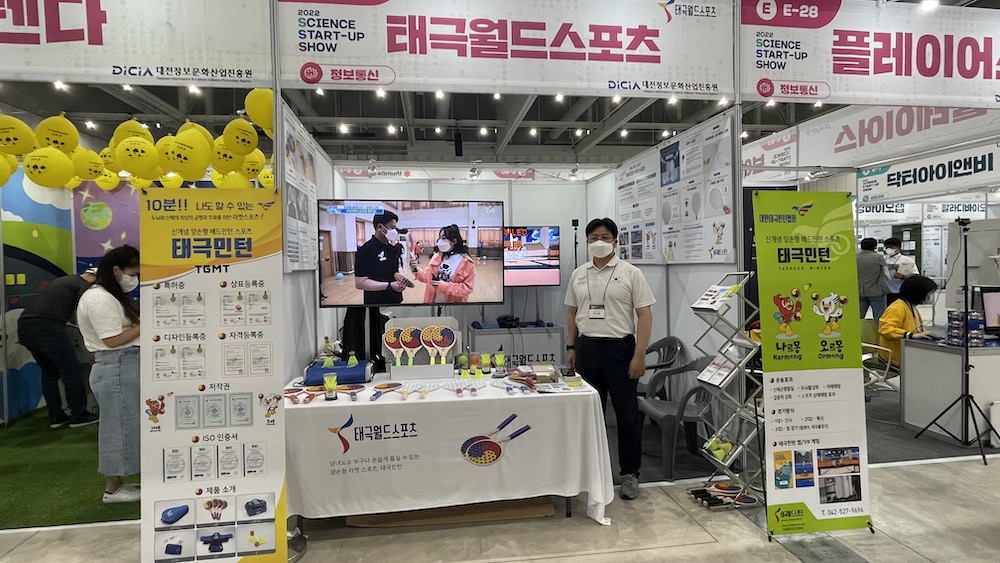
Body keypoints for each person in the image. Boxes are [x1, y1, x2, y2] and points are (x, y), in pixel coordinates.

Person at [564, 218, 654, 500]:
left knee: (626, 416)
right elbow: (572, 312)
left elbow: (644, 315)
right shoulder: (579, 274)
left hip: (620, 350)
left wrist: (639, 355)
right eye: (593, 238)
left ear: (615, 241)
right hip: (587, 349)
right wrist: (571, 346)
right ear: (587, 242)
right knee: (590, 415)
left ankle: (629, 474)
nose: (598, 242)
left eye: (604, 237)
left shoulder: (631, 273)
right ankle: (592, 474)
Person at [76, 246, 142, 503]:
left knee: (126, 424)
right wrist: (146, 325)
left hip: (122, 365)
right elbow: (112, 340)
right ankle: (112, 489)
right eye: (132, 273)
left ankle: (119, 482)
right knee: (118, 427)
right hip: (115, 365)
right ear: (116, 270)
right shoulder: (99, 298)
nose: (134, 279)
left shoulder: (110, 296)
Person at [17, 269, 101, 429]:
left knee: (49, 371)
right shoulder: (83, 286)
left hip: (25, 326)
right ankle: (79, 415)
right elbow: (82, 317)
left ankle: (56, 416)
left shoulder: (64, 281)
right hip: (47, 327)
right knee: (72, 369)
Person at [878, 275, 939, 368]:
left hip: (906, 351)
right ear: (919, 293)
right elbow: (885, 329)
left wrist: (923, 334)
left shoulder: (911, 307)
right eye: (929, 294)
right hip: (894, 356)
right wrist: (910, 335)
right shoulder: (896, 308)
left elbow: (917, 328)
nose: (930, 297)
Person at [354, 211, 410, 305]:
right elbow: (360, 283)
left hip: (395, 299)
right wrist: (389, 286)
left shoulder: (391, 248)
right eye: (392, 228)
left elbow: (394, 271)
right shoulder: (365, 250)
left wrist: (401, 280)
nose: (395, 231)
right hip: (376, 302)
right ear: (380, 227)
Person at [411, 224, 477, 303]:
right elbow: (428, 276)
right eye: (440, 238)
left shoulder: (466, 262)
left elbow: (467, 288)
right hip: (433, 302)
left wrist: (445, 286)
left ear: (454, 241)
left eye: (444, 238)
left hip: (454, 304)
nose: (440, 241)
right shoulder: (437, 256)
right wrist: (416, 270)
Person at [857, 238, 890, 320]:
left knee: (859, 316)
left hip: (860, 290)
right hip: (876, 291)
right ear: (875, 246)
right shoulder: (878, 257)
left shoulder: (855, 258)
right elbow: (886, 273)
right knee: (879, 317)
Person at [883, 237, 919, 304]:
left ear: (898, 248)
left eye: (891, 247)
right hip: (885, 292)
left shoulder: (907, 260)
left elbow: (915, 275)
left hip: (900, 291)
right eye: (887, 247)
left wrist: (903, 276)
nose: (889, 249)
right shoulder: (883, 259)